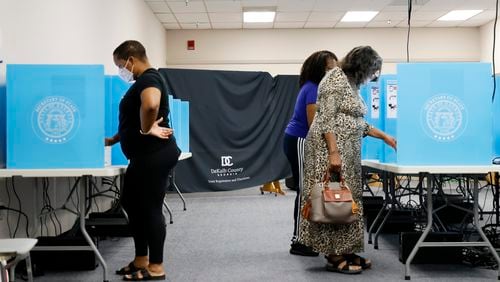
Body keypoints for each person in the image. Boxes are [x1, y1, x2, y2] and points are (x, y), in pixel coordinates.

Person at [298, 46, 397, 274]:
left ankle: (347, 249)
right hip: (329, 149)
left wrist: (384, 136)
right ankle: (333, 254)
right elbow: (326, 119)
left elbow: (355, 121)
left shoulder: (352, 84)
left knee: (348, 201)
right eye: (372, 71)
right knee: (333, 200)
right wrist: (333, 152)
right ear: (361, 66)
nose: (373, 76)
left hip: (348, 151)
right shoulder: (334, 79)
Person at [105, 40, 180, 281]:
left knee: (149, 208)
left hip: (154, 154)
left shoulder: (149, 79)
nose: (121, 70)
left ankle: (156, 267)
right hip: (146, 155)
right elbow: (135, 118)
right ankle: (141, 259)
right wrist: (116, 138)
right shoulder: (144, 80)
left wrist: (148, 129)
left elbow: (150, 105)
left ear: (131, 60)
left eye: (120, 65)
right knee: (132, 203)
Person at [283, 50, 338, 256]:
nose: (333, 73)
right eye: (330, 69)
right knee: (305, 190)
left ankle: (308, 237)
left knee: (310, 190)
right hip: (300, 140)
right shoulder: (313, 89)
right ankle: (298, 241)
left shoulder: (317, 88)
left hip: (303, 140)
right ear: (319, 70)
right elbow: (314, 125)